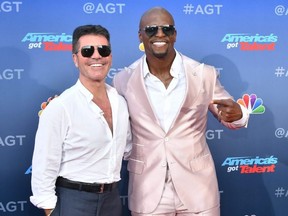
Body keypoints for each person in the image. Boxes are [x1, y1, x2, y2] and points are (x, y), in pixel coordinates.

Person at [113, 7, 249, 216]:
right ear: (140, 35)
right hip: (147, 191)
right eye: (151, 29)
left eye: (166, 29)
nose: (160, 34)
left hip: (199, 189)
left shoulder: (203, 74)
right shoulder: (123, 79)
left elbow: (230, 117)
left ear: (174, 34)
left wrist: (239, 115)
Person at [30, 24, 131, 216]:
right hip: (73, 200)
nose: (96, 56)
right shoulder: (61, 107)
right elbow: (44, 166)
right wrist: (50, 210)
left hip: (112, 200)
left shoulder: (120, 103)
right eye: (87, 51)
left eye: (103, 50)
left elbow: (129, 149)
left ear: (110, 56)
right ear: (75, 59)